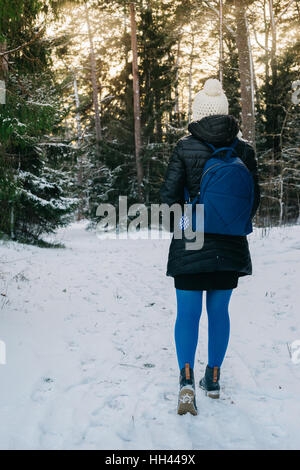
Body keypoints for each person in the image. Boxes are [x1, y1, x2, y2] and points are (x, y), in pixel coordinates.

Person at [160, 78, 260, 416]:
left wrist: (188, 227)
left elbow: (169, 199)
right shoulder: (243, 150)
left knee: (188, 313)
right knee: (219, 312)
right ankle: (213, 378)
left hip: (192, 239)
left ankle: (186, 380)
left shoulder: (185, 147)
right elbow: (252, 200)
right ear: (225, 113)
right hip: (230, 245)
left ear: (198, 113)